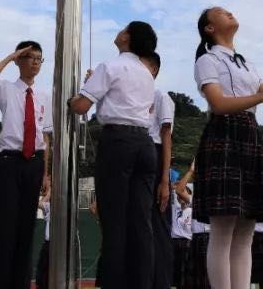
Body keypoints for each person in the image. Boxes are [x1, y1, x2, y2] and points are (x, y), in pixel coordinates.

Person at [192, 6, 263, 289]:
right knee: (222, 230)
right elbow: (218, 104)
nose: (230, 13)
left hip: (249, 135)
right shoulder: (207, 60)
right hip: (225, 135)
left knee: (246, 231)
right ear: (210, 28)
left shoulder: (246, 63)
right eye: (222, 12)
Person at [70, 21, 161, 288]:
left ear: (128, 37)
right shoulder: (146, 74)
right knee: (141, 223)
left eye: (123, 29)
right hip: (144, 144)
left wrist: (72, 99)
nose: (119, 32)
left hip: (118, 142)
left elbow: (81, 106)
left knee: (114, 222)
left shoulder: (110, 67)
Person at [0, 41, 53, 289]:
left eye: (39, 58)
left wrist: (45, 173)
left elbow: (45, 138)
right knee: (6, 227)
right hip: (10, 161)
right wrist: (11, 55)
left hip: (34, 164)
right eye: (29, 56)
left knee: (26, 228)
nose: (35, 62)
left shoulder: (44, 96)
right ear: (19, 60)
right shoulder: (6, 88)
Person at [141, 52, 176, 289]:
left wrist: (165, 180)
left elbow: (166, 137)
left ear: (153, 69)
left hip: (153, 156)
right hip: (135, 154)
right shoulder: (130, 97)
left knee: (158, 227)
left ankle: (160, 283)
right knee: (139, 226)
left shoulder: (161, 96)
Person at [171, 182, 194, 288]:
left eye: (184, 193)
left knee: (185, 271)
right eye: (179, 195)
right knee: (175, 271)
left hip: (186, 243)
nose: (180, 196)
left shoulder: (191, 211)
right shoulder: (175, 209)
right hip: (173, 242)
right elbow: (172, 189)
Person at [35, 188, 52, 289]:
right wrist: (50, 192)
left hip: (60, 245)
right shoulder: (49, 207)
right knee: (43, 273)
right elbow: (39, 203)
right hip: (48, 244)